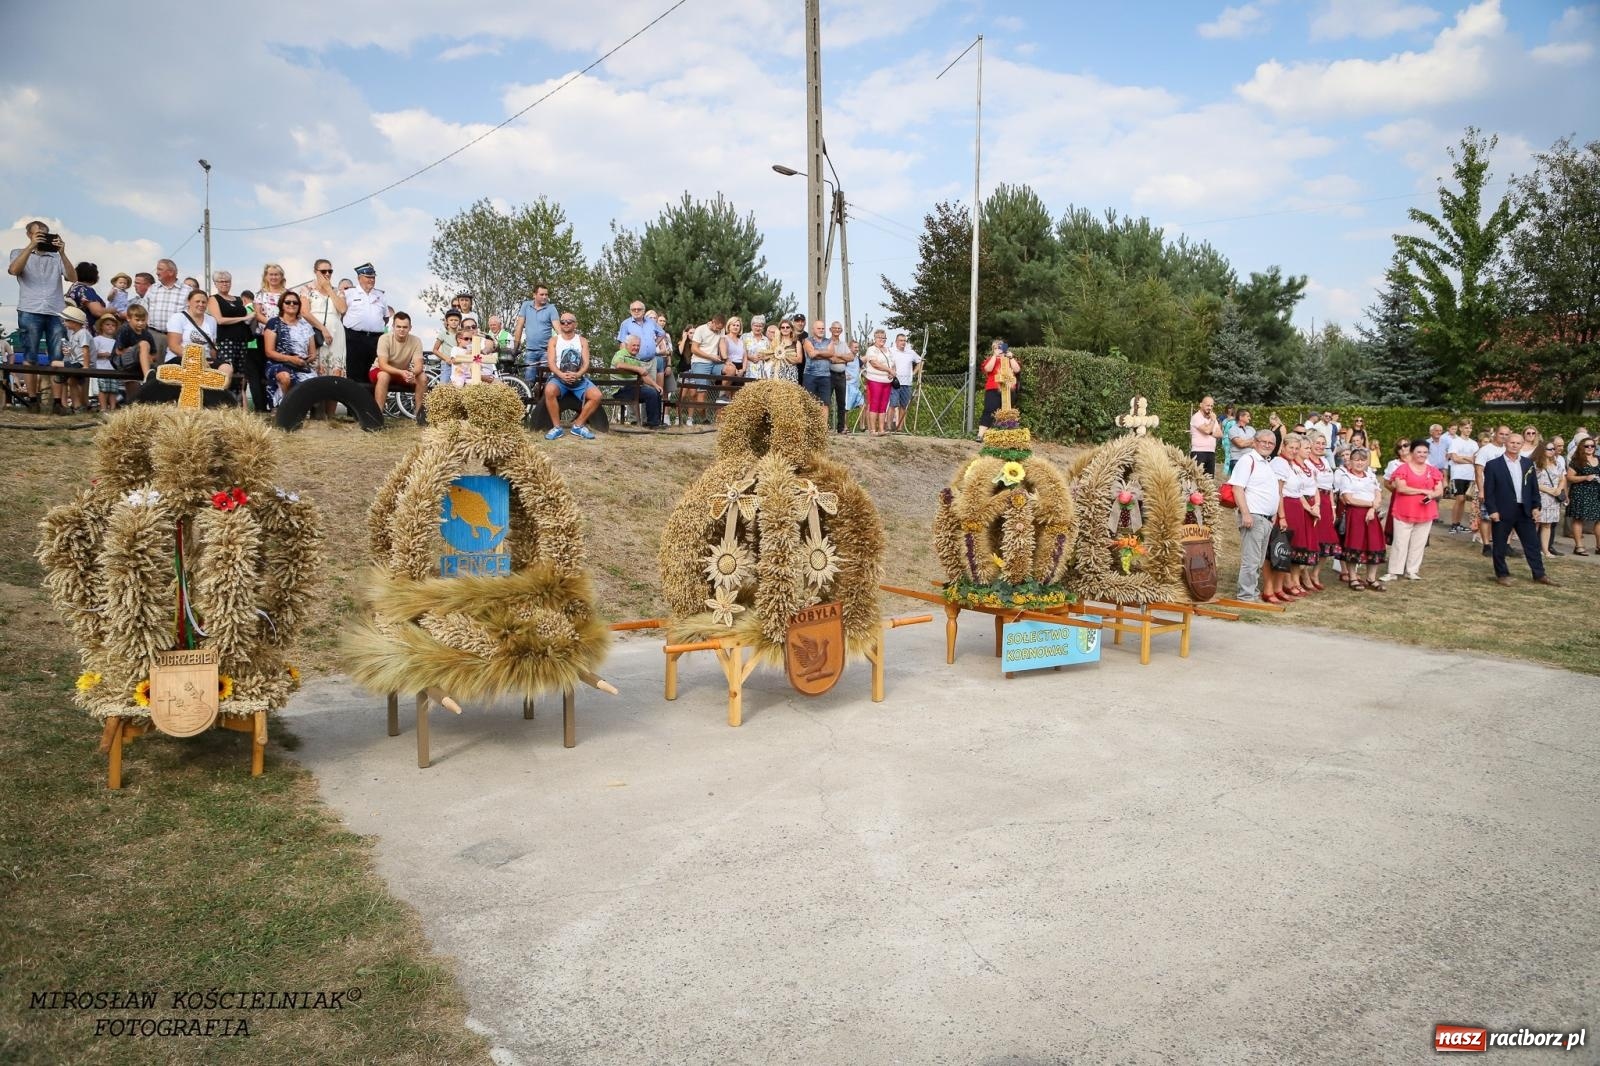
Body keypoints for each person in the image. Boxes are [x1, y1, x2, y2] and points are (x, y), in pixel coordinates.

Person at [9, 222, 77, 403]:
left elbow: (73, 278)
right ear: (28, 235)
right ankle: (32, 400)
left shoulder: (56, 257)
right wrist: (31, 246)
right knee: (30, 356)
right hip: (30, 309)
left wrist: (62, 252)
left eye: (46, 234)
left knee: (57, 356)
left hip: (56, 311)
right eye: (38, 234)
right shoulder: (18, 252)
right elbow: (14, 270)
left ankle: (57, 402)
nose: (42, 237)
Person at [1482, 433, 1555, 586]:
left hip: (1525, 510)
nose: (1514, 445)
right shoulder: (1494, 464)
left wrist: (1536, 506)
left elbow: (1533, 487)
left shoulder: (1528, 463)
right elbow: (1489, 491)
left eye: (1518, 443)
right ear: (1506, 443)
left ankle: (1539, 574)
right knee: (1500, 544)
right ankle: (1502, 574)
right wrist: (1492, 510)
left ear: (1522, 445)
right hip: (1503, 510)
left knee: (1532, 544)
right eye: (1512, 442)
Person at [1228, 429, 1286, 603]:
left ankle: (1252, 592)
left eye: (1271, 443)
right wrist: (1245, 513)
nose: (1267, 445)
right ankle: (1246, 595)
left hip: (1266, 518)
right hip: (1253, 516)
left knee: (1258, 560)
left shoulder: (1266, 463)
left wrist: (1274, 513)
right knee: (1251, 560)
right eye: (1264, 442)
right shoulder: (1248, 460)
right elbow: (1237, 488)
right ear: (1255, 442)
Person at [1383, 440, 1444, 582]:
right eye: (1419, 452)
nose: (1422, 455)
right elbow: (1401, 488)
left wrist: (1432, 494)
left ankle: (1412, 570)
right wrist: (1423, 490)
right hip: (1404, 511)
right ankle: (1394, 571)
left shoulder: (1432, 470)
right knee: (1400, 542)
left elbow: (1439, 490)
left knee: (1419, 542)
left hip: (1425, 511)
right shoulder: (1403, 469)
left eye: (1425, 452)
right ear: (1412, 453)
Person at [1334, 447, 1386, 592]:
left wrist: (1372, 509)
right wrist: (1370, 504)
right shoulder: (1346, 477)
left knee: (1374, 544)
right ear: (1350, 461)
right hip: (1355, 514)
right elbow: (1348, 499)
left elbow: (1378, 494)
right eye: (1356, 460)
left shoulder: (1370, 476)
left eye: (1363, 460)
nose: (1359, 463)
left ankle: (1371, 578)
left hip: (1371, 514)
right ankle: (1352, 577)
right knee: (1354, 544)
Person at [543, 312, 601, 440]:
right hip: (559, 378)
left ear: (575, 324)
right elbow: (551, 363)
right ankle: (557, 428)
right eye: (563, 321)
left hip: (579, 379)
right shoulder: (554, 340)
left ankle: (578, 426)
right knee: (549, 390)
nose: (566, 324)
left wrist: (578, 374)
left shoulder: (582, 341)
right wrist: (561, 375)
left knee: (597, 396)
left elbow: (586, 363)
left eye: (569, 321)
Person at [1272, 434, 1317, 597]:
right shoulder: (1279, 463)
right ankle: (1285, 583)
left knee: (1295, 547)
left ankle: (1292, 581)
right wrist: (1282, 515)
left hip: (1296, 506)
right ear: (1283, 446)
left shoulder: (1291, 464)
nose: (1294, 451)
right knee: (1284, 547)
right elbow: (1279, 492)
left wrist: (1310, 508)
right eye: (1291, 447)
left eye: (1297, 448)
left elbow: (1298, 492)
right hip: (1287, 507)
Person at [207, 272, 255, 404]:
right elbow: (220, 320)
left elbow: (250, 316)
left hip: (243, 341)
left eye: (227, 281)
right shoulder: (213, 299)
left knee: (241, 375)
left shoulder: (239, 299)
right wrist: (243, 318)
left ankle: (240, 404)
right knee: (228, 370)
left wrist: (249, 316)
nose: (224, 283)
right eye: (221, 281)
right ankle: (224, 402)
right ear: (215, 283)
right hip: (226, 341)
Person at [263, 291, 316, 405]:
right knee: (285, 377)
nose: (292, 304)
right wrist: (291, 359)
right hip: (277, 363)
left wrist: (306, 360)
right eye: (288, 302)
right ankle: (285, 408)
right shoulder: (274, 323)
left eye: (295, 302)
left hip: (302, 365)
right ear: (282, 304)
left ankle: (304, 412)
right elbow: (269, 352)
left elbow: (313, 353)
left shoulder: (306, 326)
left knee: (314, 383)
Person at [341, 263, 389, 388]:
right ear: (359, 278)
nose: (371, 280)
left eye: (373, 277)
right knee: (354, 374)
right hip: (354, 337)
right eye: (368, 277)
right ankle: (353, 407)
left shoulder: (380, 295)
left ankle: (368, 406)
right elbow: (341, 312)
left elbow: (386, 316)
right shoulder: (349, 293)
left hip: (375, 339)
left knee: (370, 374)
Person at [298, 259, 348, 378]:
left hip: (336, 334)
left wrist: (329, 289)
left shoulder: (337, 291)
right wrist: (323, 329)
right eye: (323, 271)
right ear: (315, 272)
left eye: (330, 271)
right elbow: (304, 312)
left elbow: (342, 309)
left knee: (335, 369)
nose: (327, 274)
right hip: (315, 333)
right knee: (315, 367)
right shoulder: (307, 289)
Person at [371, 311, 425, 415]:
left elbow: (419, 365)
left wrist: (412, 373)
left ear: (410, 328)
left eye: (405, 327)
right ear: (393, 327)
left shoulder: (416, 341)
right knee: (384, 376)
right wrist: (402, 372)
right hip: (381, 370)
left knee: (422, 377)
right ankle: (377, 416)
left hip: (402, 373)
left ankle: (420, 415)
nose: (401, 329)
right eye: (398, 326)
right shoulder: (384, 338)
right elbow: (382, 365)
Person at [1307, 433, 1340, 588]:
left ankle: (1315, 573)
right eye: (1317, 443)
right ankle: (1304, 575)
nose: (1320, 446)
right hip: (1313, 501)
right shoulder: (1306, 462)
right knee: (1312, 538)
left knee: (1327, 539)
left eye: (1323, 443)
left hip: (1327, 502)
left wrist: (1333, 508)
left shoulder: (1326, 461)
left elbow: (1331, 487)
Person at [611, 334, 663, 428]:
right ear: (627, 345)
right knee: (650, 393)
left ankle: (655, 422)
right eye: (634, 345)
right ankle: (653, 424)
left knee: (656, 392)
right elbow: (619, 365)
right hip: (621, 389)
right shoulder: (621, 353)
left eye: (638, 346)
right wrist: (637, 368)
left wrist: (656, 385)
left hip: (633, 388)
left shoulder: (636, 357)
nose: (636, 348)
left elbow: (644, 376)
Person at [1474, 425, 1511, 556]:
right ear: (1495, 434)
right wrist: (1481, 490)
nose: (1504, 437)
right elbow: (1479, 472)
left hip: (1506, 490)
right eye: (1501, 434)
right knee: (1486, 517)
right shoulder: (1486, 450)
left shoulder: (1509, 449)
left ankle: (1506, 545)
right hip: (1489, 489)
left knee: (1507, 517)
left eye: (1507, 434)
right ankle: (1486, 545)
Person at [614, 300, 666, 384]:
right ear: (630, 311)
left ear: (644, 311)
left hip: (652, 361)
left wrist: (654, 343)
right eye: (633, 309)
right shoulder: (626, 324)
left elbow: (662, 333)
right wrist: (627, 361)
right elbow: (623, 343)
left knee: (652, 389)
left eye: (639, 309)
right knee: (638, 390)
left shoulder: (651, 322)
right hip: (636, 362)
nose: (636, 311)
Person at [978, 339, 1020, 441]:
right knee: (989, 410)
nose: (998, 350)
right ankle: (980, 435)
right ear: (993, 349)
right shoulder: (990, 359)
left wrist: (1011, 357)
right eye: (996, 348)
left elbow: (1017, 369)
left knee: (1007, 412)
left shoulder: (1009, 359)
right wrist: (994, 356)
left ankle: (1006, 437)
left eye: (1000, 348)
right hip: (993, 389)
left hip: (1008, 389)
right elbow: (988, 369)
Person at [1566, 437, 1600, 555]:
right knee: (1578, 518)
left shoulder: (1599, 459)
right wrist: (1585, 477)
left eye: (1592, 446)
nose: (1590, 448)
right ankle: (1579, 546)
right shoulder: (1577, 461)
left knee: (1599, 519)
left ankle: (1599, 546)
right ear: (1582, 447)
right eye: (1587, 446)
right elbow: (1569, 477)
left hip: (1597, 493)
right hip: (1580, 492)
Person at [55, 305, 91, 415]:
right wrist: (68, 352)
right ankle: (77, 406)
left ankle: (60, 378)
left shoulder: (83, 333)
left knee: (54, 363)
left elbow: (85, 349)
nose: (64, 323)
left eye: (66, 321)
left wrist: (85, 366)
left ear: (74, 322)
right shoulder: (74, 334)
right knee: (72, 382)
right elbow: (76, 351)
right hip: (76, 362)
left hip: (79, 364)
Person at [1533, 442, 1565, 558]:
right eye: (1549, 449)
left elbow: (1562, 479)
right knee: (1536, 523)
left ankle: (1545, 550)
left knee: (1547, 525)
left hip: (1553, 499)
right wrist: (1549, 490)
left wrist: (1559, 489)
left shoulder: (1557, 464)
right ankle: (1533, 549)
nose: (1552, 451)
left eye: (1553, 449)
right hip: (1541, 497)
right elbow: (1533, 482)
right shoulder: (1535, 465)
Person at [443, 315, 496, 385]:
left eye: (474, 327)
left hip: (488, 378)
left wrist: (482, 352)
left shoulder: (484, 340)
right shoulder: (461, 347)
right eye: (468, 328)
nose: (471, 329)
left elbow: (489, 346)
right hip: (468, 378)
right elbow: (457, 362)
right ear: (462, 330)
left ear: (477, 328)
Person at [1446, 419, 1478, 532]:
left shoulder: (1474, 443)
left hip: (1470, 475)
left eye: (1470, 428)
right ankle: (1453, 524)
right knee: (1459, 498)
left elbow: (1476, 459)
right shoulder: (1455, 442)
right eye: (1466, 428)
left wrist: (1463, 457)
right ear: (1460, 428)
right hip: (1458, 474)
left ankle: (1458, 523)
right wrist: (1468, 459)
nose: (1468, 430)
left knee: (1464, 500)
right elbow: (1454, 458)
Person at [861, 329, 893, 436]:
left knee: (883, 405)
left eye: (883, 337)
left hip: (887, 381)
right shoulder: (871, 349)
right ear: (875, 338)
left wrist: (892, 371)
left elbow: (892, 363)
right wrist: (888, 370)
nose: (882, 339)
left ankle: (881, 429)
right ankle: (873, 430)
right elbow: (874, 363)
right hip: (875, 380)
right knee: (874, 404)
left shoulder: (888, 350)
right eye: (879, 337)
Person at [90, 313, 123, 414]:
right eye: (107, 324)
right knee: (103, 389)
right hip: (101, 368)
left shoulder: (116, 341)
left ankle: (112, 408)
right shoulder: (97, 339)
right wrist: (104, 354)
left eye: (113, 325)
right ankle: (103, 407)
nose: (110, 327)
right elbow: (93, 354)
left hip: (113, 369)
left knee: (113, 389)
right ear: (101, 326)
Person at [1189, 396, 1222, 478]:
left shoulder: (1211, 418)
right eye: (1208, 405)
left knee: (1209, 482)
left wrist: (1209, 432)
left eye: (1211, 406)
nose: (1210, 408)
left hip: (1211, 452)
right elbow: (1207, 430)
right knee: (1198, 480)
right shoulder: (1196, 417)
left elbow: (1220, 434)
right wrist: (1213, 421)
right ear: (1201, 405)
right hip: (1198, 452)